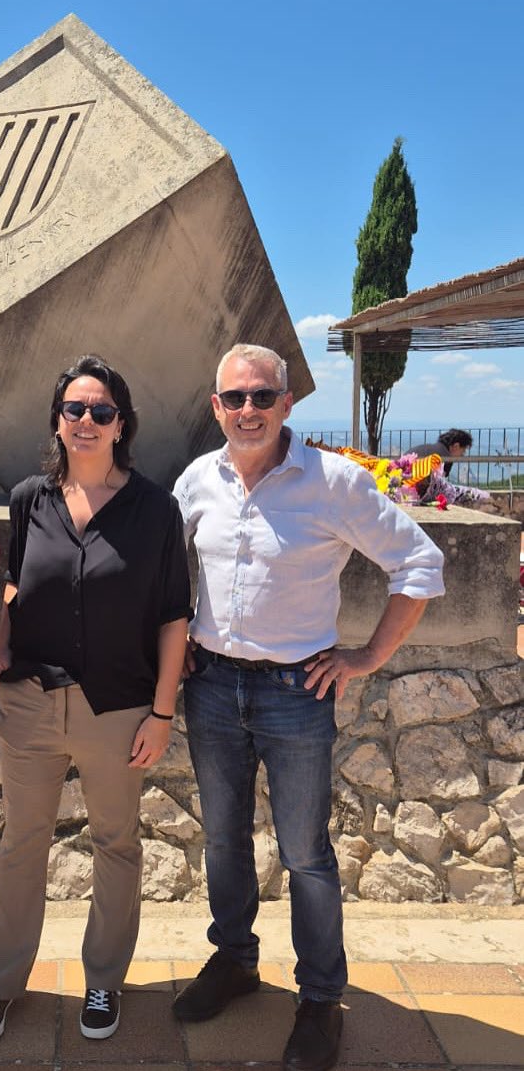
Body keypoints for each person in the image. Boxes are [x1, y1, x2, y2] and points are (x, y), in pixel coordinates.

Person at [172, 344, 444, 1071]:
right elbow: (168, 572)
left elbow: (420, 564)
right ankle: (235, 960)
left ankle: (321, 999)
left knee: (306, 856)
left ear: (289, 403)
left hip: (297, 692)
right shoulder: (198, 480)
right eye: (235, 398)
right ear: (216, 407)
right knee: (224, 841)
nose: (249, 410)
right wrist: (179, 650)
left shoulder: (334, 483)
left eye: (264, 396)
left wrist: (364, 657)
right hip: (212, 687)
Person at [0, 354, 191, 1045]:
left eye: (101, 411)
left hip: (118, 706)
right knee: (20, 844)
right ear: (57, 423)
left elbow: (174, 616)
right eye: (74, 410)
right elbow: (15, 583)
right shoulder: (33, 497)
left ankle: (103, 981)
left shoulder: (156, 508)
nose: (86, 421)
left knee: (116, 842)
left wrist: (161, 710)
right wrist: (2, 651)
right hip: (32, 699)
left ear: (122, 424)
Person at [409, 428, 473, 478]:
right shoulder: (444, 458)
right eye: (463, 450)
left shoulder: (431, 449)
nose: (463, 455)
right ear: (456, 446)